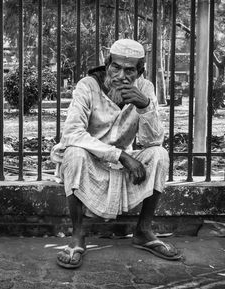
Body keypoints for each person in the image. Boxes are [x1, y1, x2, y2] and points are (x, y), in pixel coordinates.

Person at [51, 39, 182, 269]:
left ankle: (143, 231)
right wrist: (120, 155)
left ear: (140, 71)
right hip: (91, 163)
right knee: (72, 153)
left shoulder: (146, 88)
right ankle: (78, 236)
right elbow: (71, 133)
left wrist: (145, 107)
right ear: (107, 64)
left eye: (129, 70)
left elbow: (152, 141)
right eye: (116, 67)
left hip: (122, 170)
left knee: (159, 155)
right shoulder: (87, 86)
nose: (121, 75)